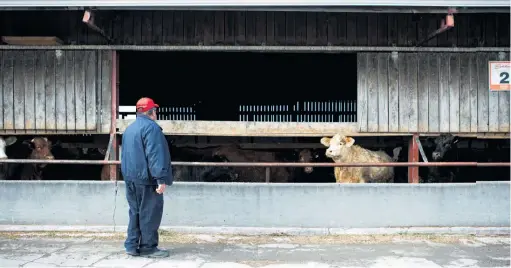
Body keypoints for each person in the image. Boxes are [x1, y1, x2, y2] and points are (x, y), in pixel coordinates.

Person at [120, 97, 173, 258]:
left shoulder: (130, 129)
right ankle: (148, 247)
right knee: (150, 212)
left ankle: (131, 245)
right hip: (147, 180)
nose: (156, 113)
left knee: (135, 212)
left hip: (131, 178)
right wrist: (160, 179)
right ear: (152, 112)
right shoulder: (152, 129)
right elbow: (155, 155)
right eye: (155, 110)